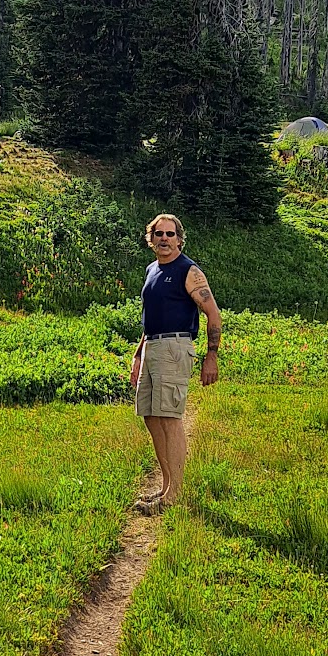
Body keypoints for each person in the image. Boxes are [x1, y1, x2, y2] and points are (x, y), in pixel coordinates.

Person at [128, 212, 221, 511]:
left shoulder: (189, 271)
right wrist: (138, 354)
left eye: (170, 234)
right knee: (151, 417)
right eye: (159, 234)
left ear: (179, 239)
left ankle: (174, 495)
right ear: (150, 239)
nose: (164, 239)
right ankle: (166, 486)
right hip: (153, 346)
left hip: (175, 347)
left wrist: (211, 356)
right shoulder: (151, 270)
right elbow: (150, 319)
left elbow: (213, 314)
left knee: (169, 418)